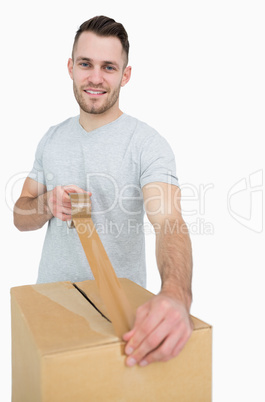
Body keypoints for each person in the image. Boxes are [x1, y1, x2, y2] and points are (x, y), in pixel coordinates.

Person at [14, 15, 193, 368]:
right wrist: (47, 204)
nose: (95, 77)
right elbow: (20, 216)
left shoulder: (147, 144)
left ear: (125, 75)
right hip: (49, 311)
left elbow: (169, 220)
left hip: (117, 320)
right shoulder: (51, 138)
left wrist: (176, 294)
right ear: (70, 67)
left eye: (108, 67)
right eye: (86, 64)